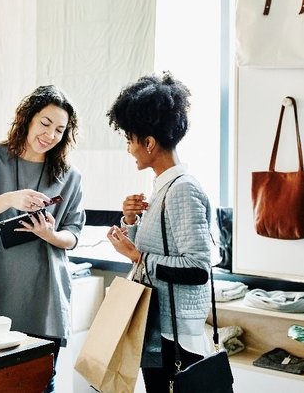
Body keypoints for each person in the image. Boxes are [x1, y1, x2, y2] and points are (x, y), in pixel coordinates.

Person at [0, 85, 84, 392]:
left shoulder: (69, 176)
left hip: (46, 299)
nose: (50, 135)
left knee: (41, 383)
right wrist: (9, 199)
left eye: (59, 129)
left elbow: (73, 235)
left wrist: (50, 234)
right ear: (26, 118)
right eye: (45, 123)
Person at [104, 73, 212, 392]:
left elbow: (196, 269)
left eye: (129, 140)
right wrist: (131, 220)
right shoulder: (163, 189)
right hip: (159, 327)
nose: (128, 149)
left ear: (149, 142)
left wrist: (137, 256)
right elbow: (160, 251)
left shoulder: (182, 190)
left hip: (176, 336)